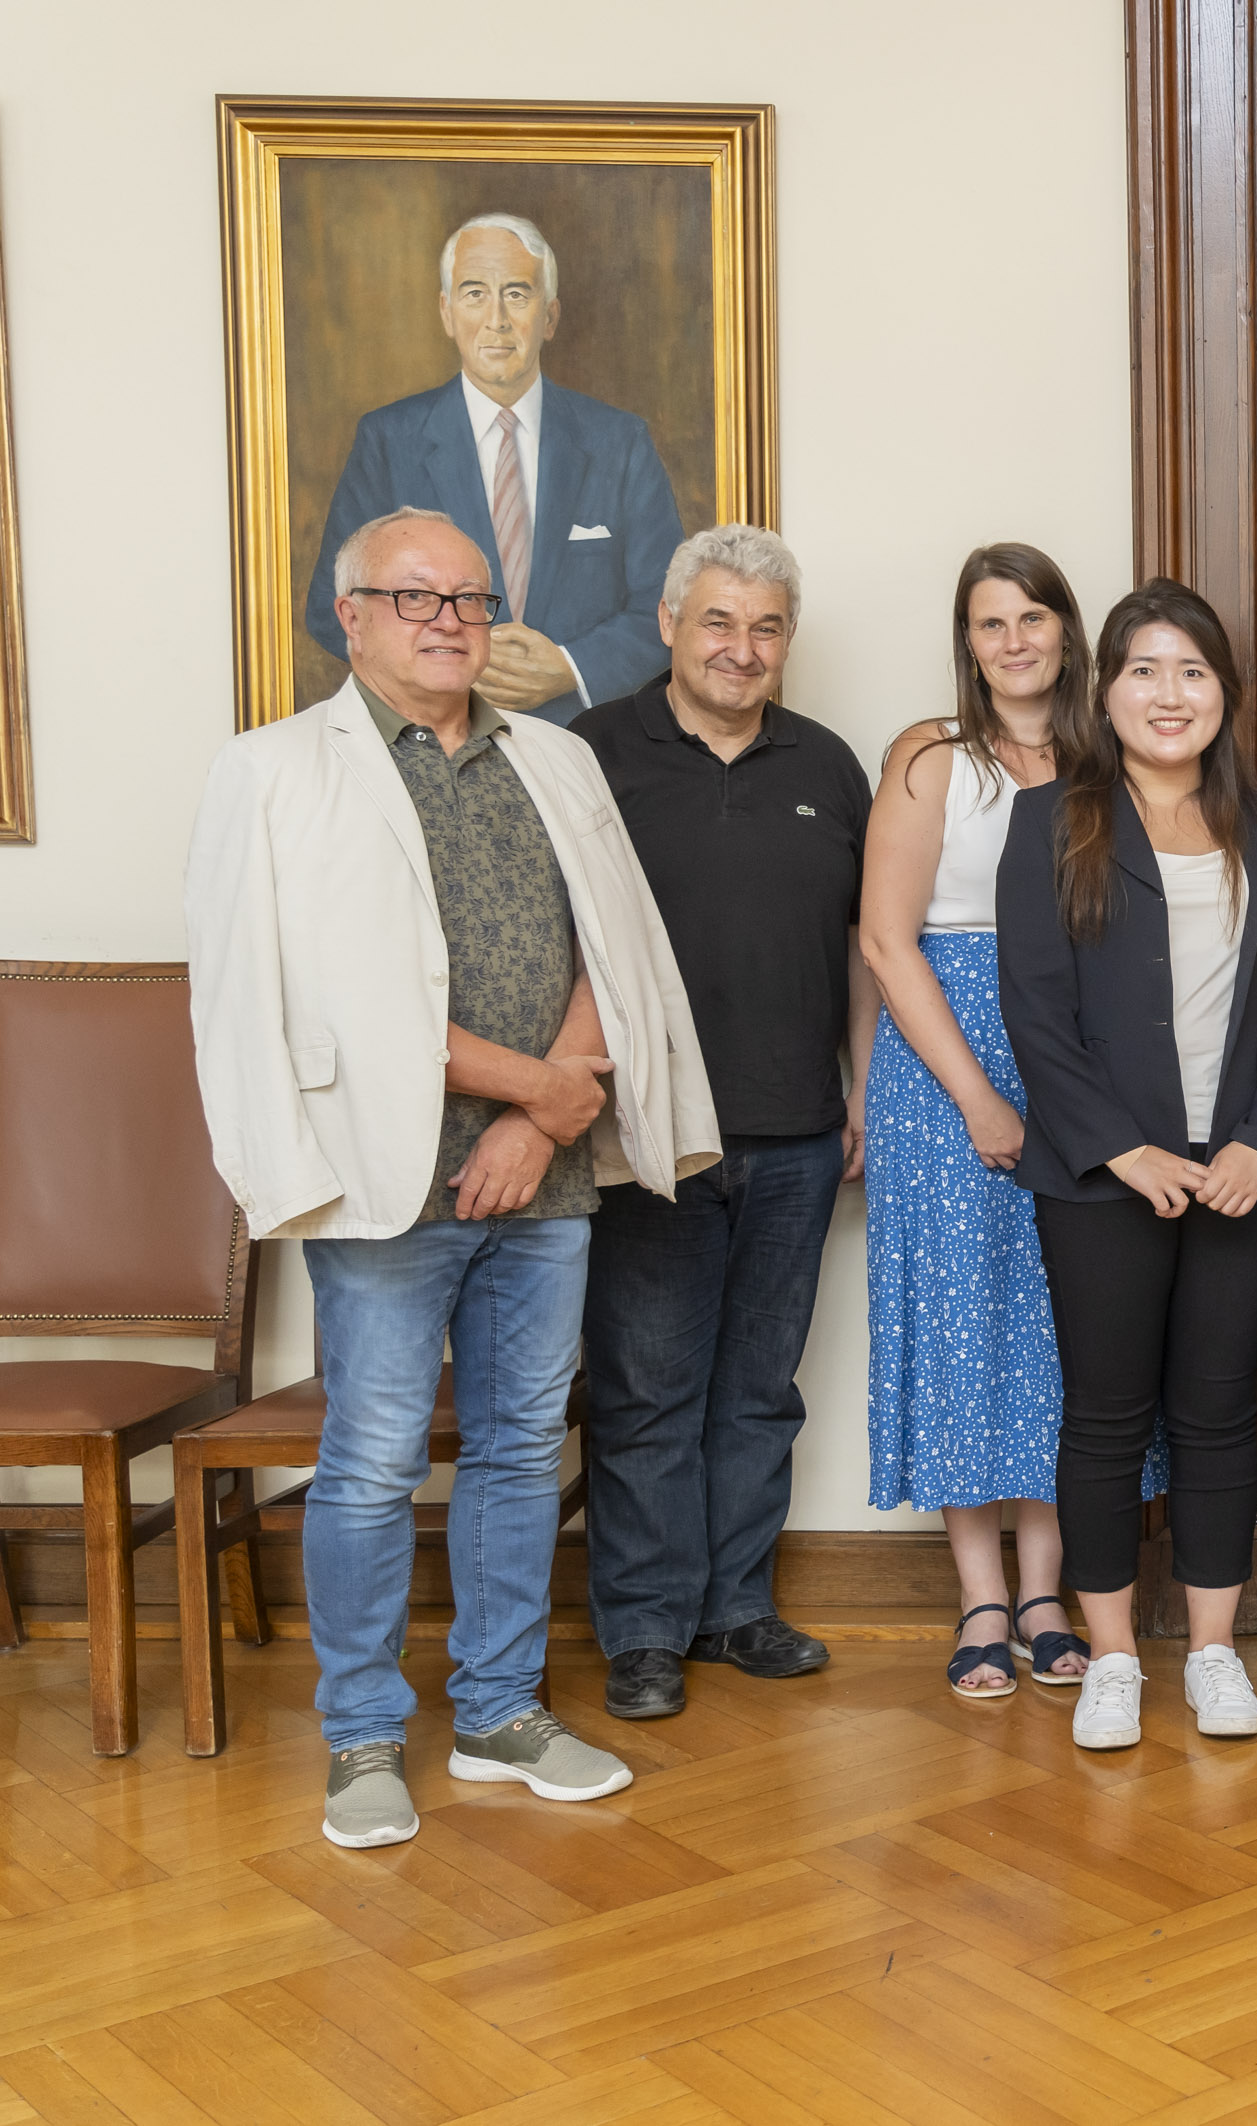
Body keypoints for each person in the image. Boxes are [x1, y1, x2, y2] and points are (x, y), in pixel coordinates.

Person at [184, 506, 718, 1850]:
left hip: (541, 1179)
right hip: (380, 1179)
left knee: (521, 1445)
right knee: (369, 1461)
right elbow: (311, 998)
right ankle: (362, 1734)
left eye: (470, 600)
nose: (447, 622)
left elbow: (623, 950)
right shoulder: (271, 773)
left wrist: (544, 1114)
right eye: (414, 598)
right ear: (348, 613)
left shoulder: (556, 757)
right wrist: (525, 1086)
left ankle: (496, 1712)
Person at [565, 526, 872, 1721]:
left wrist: (857, 1092)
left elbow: (861, 944)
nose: (743, 649)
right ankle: (643, 1627)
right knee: (646, 1389)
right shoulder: (595, 756)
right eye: (719, 622)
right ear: (668, 625)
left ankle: (735, 1605)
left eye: (767, 627)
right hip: (647, 1135)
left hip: (798, 1130)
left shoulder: (831, 764)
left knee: (758, 1387)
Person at [1001, 581, 1257, 1751]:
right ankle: (1114, 1656)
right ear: (1106, 687)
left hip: (1236, 1172)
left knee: (1221, 1415)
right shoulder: (1048, 822)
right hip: (1097, 1174)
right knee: (1109, 1414)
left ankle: (1214, 1651)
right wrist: (1121, 1148)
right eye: (1144, 670)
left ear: (1224, 693)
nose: (1168, 695)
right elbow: (1035, 1011)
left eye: (1193, 672)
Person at [863, 544, 1093, 1703]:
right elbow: (887, 939)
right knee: (963, 1325)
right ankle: (982, 1597)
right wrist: (978, 1095)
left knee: (1059, 1328)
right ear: (968, 643)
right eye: (989, 622)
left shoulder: (1105, 757)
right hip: (946, 1067)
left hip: (1074, 1055)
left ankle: (1048, 1589)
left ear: (1064, 629)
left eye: (1032, 615)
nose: (1012, 640)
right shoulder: (931, 756)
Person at [307, 215, 684, 724]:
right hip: (432, 741)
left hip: (586, 743)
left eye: (517, 294)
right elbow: (334, 608)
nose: (497, 319)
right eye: (474, 293)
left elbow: (667, 609)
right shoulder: (387, 440)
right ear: (446, 312)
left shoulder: (619, 441)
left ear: (549, 317)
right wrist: (451, 664)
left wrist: (571, 668)